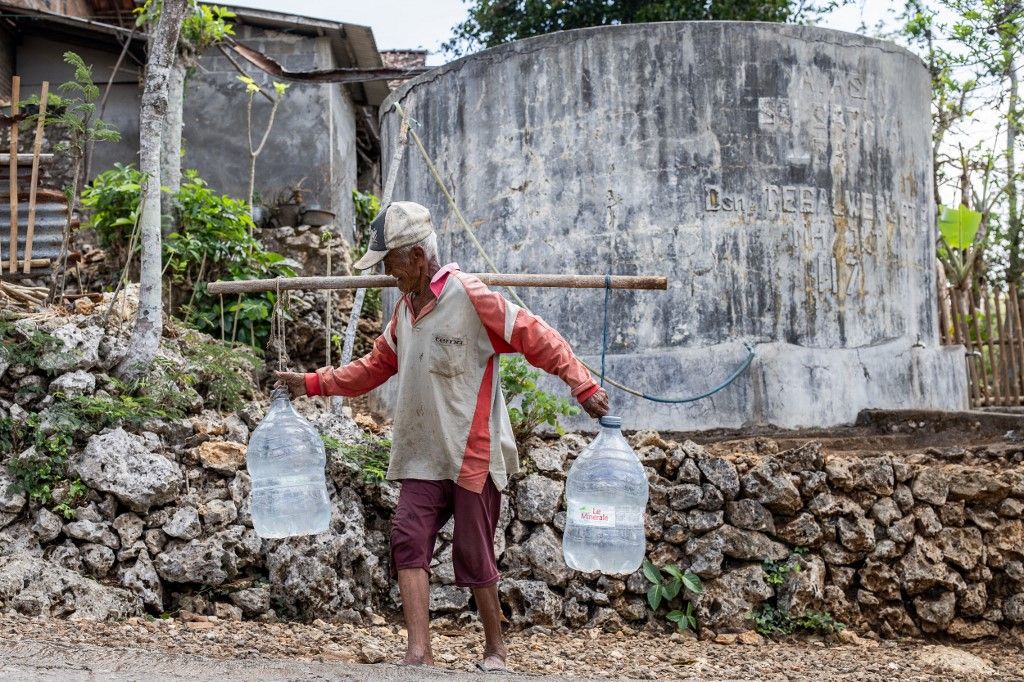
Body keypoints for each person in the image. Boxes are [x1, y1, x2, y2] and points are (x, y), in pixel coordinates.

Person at [274, 201, 609, 671]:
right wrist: (311, 383)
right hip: (421, 455)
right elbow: (371, 369)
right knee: (407, 540)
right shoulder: (403, 314)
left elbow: (537, 336)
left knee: (474, 554)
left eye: (390, 263)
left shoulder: (472, 297)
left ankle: (495, 649)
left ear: (414, 257)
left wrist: (582, 383)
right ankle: (419, 652)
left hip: (471, 453)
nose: (388, 275)